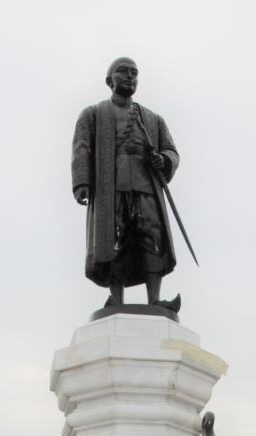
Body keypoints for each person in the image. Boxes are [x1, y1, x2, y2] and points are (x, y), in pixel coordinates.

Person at [72, 57, 181, 311]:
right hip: (112, 188)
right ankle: (116, 300)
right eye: (123, 72)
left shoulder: (153, 119)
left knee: (152, 239)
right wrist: (82, 182)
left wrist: (163, 160)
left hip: (146, 189)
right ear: (110, 80)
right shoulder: (94, 114)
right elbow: (81, 148)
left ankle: (154, 299)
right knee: (113, 242)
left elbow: (171, 151)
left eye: (135, 73)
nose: (130, 76)